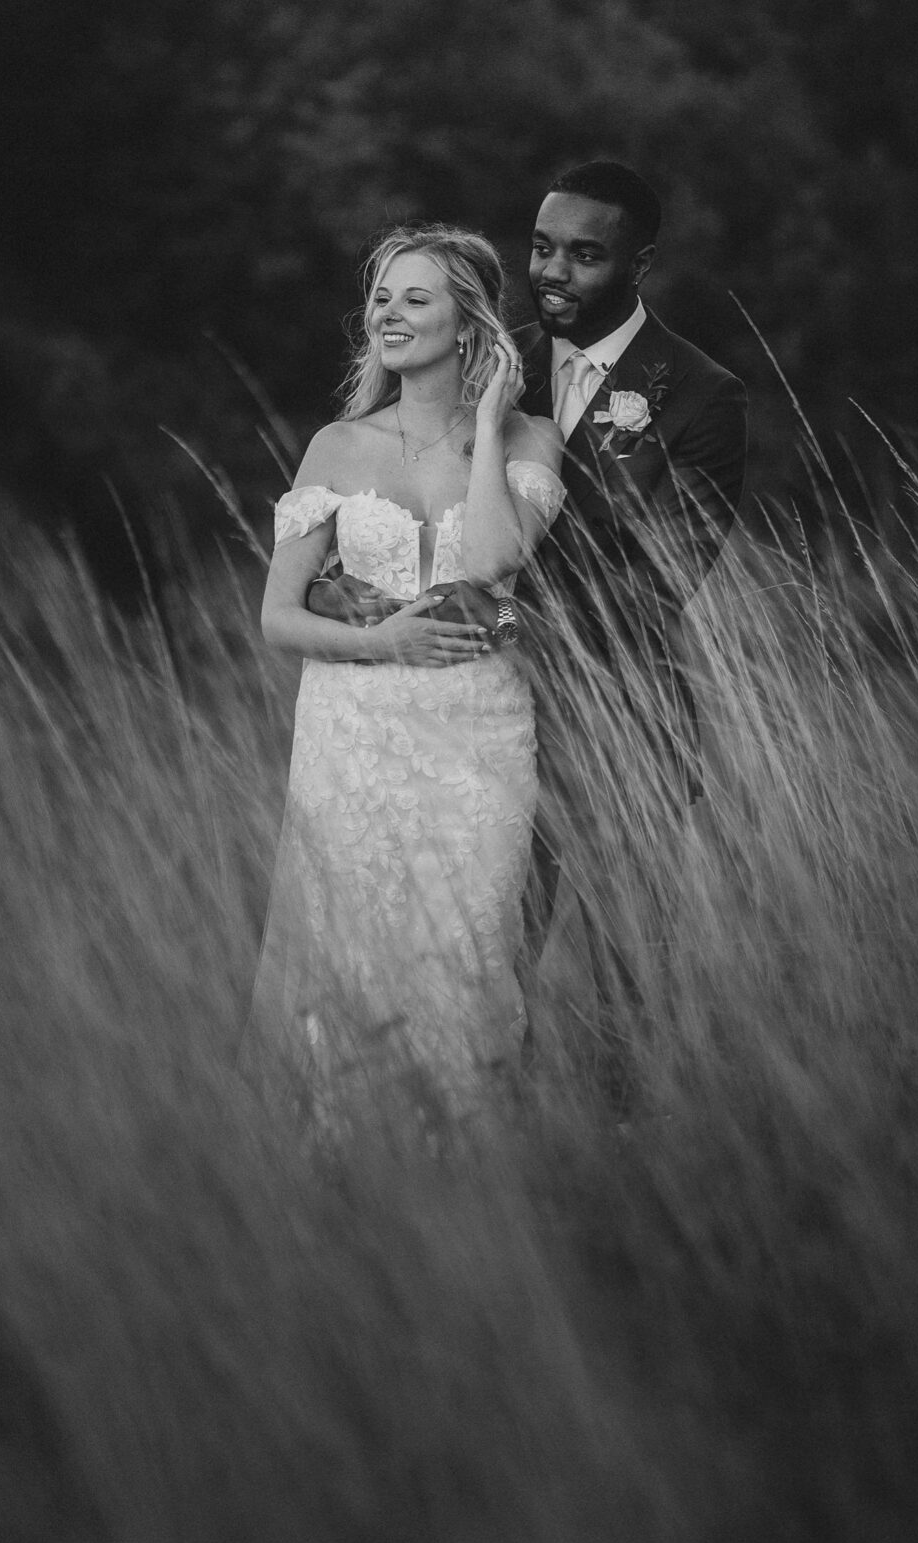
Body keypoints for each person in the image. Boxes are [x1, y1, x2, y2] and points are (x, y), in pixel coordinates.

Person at [310, 163, 748, 1018]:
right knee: (473, 971)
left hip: (621, 728)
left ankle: (621, 1139)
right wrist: (350, 588)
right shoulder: (484, 358)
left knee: (624, 988)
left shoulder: (702, 396)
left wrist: (484, 609)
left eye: (584, 255)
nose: (552, 271)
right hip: (466, 723)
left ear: (640, 262)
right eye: (542, 247)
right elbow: (391, 486)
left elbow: (662, 580)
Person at [246, 224, 565, 1113]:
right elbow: (278, 616)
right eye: (381, 296)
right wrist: (383, 644)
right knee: (354, 948)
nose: (387, 313)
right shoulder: (338, 446)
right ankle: (354, 1161)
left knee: (470, 950)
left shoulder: (529, 439)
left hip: (479, 725)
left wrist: (494, 421)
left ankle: (469, 1161)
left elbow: (497, 562)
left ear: (468, 323)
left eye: (414, 298)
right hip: (354, 723)